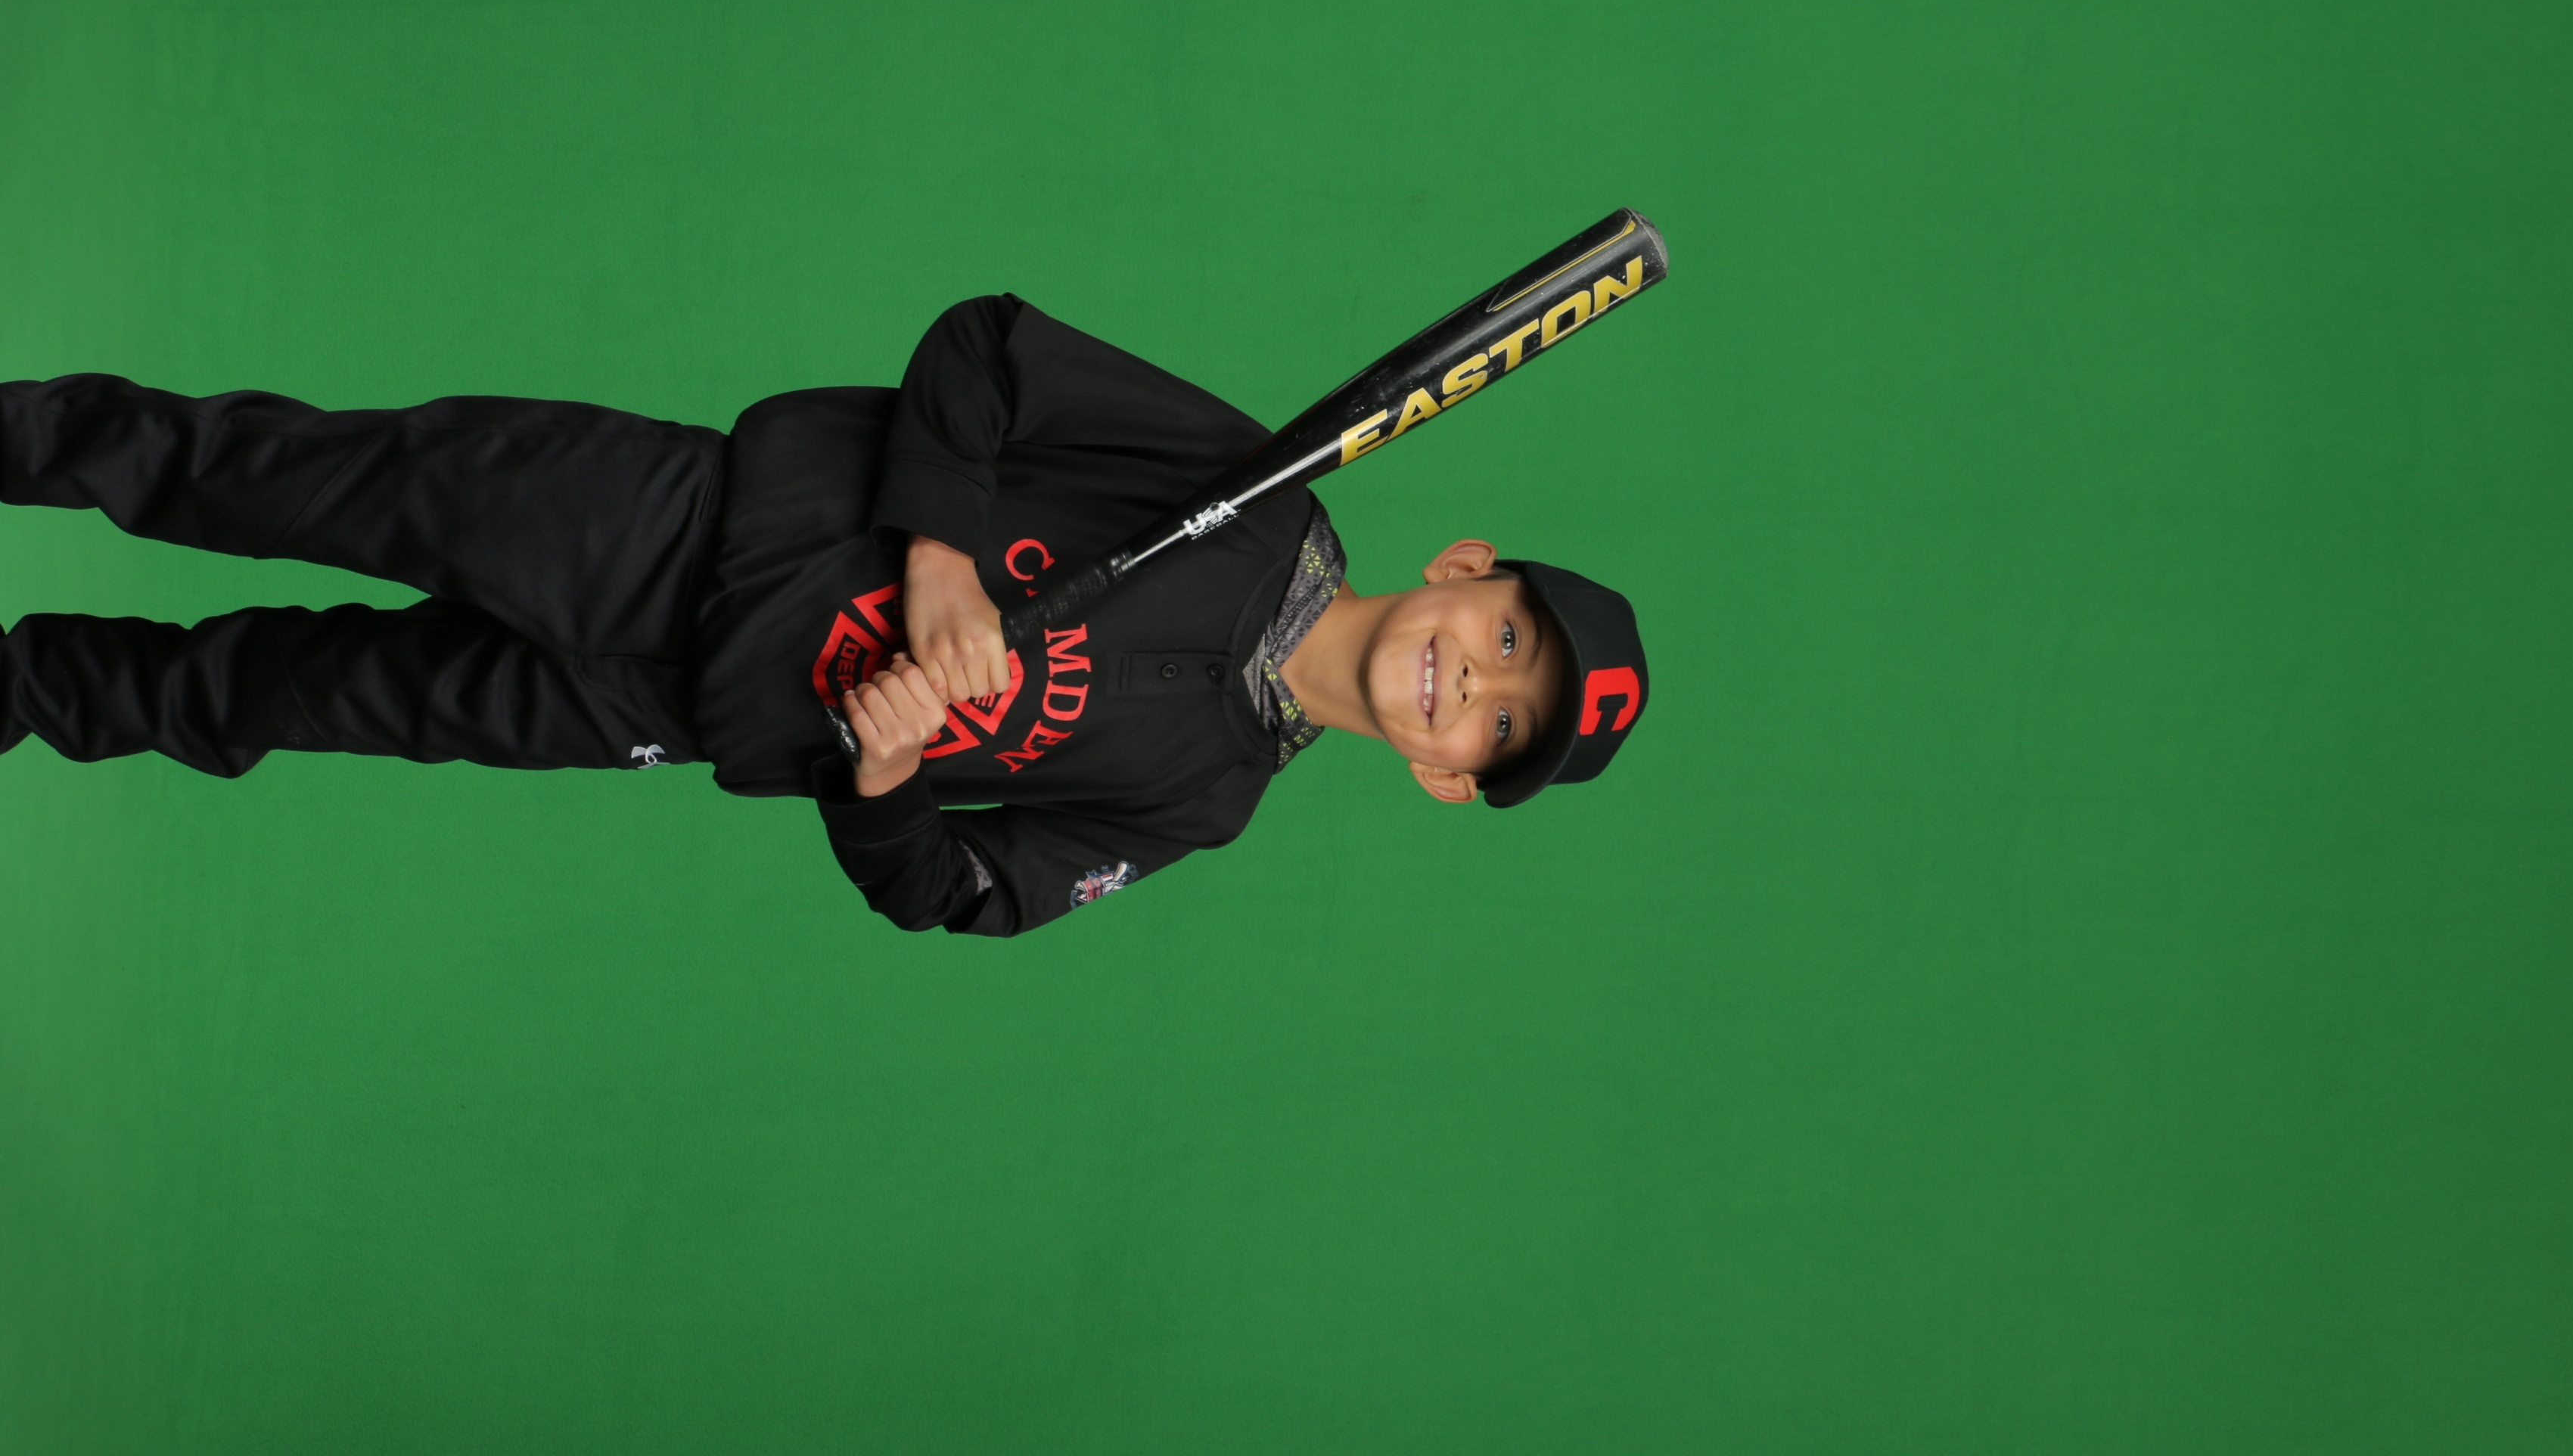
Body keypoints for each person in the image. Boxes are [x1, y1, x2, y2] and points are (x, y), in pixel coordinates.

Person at [0, 295, 1651, 937]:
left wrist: (889, 773)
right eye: (1509, 638)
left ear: (1447, 779)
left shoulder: (1201, 802)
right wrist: (939, 559)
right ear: (1464, 568)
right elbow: (989, 353)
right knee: (278, 478)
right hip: (678, 520)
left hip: (666, 713)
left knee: (282, 695)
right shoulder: (1258, 490)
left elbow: (957, 891)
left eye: (1498, 728)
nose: (1473, 685)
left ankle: (22, 687)